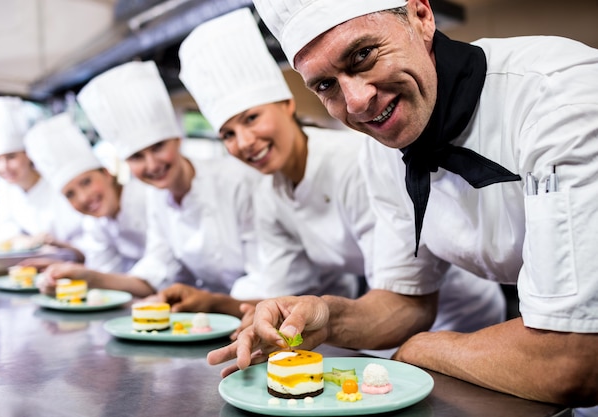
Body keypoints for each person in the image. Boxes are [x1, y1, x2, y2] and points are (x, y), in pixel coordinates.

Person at [208, 0, 598, 408]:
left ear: (421, 17)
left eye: (363, 55)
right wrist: (323, 315)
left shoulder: (559, 101)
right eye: (325, 85)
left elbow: (574, 357)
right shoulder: (382, 150)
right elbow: (405, 300)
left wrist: (423, 350)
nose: (356, 103)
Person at [171, 7, 505, 338]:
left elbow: (403, 290)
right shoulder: (269, 192)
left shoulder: (354, 161)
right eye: (227, 134)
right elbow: (278, 284)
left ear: (287, 105)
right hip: (380, 317)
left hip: (458, 316)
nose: (244, 141)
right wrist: (215, 303)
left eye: (251, 118)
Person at [72, 60, 260, 299]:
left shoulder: (235, 180)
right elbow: (158, 269)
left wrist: (213, 304)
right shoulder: (158, 196)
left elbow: (267, 277)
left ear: (177, 139)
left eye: (158, 147)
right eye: (137, 156)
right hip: (214, 316)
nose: (152, 165)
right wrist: (91, 278)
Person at [23, 112, 151, 295]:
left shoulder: (147, 198)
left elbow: (160, 275)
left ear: (107, 173)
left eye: (86, 182)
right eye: (70, 194)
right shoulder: (97, 223)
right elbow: (104, 275)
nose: (83, 198)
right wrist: (64, 274)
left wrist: (87, 276)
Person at [0, 96, 84, 258]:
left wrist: (54, 244)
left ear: (28, 154)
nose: (4, 167)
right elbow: (1, 232)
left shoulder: (58, 182)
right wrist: (25, 241)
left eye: (11, 157)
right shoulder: (7, 188)